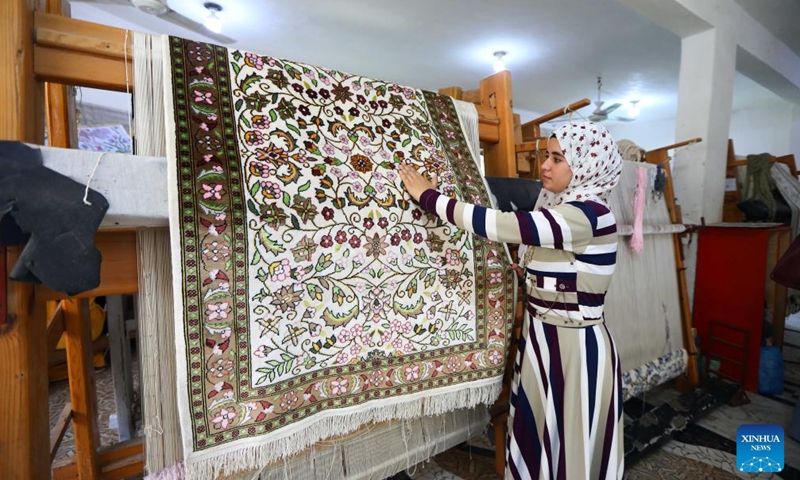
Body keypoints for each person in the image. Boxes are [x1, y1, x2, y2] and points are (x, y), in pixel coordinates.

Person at [398, 121, 624, 480]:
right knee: (540, 438)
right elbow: (560, 270)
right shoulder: (567, 211)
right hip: (543, 342)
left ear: (585, 164)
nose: (545, 166)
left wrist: (430, 197)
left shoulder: (589, 215)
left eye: (557, 158)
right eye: (545, 156)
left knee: (569, 444)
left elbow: (503, 225)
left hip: (573, 350)